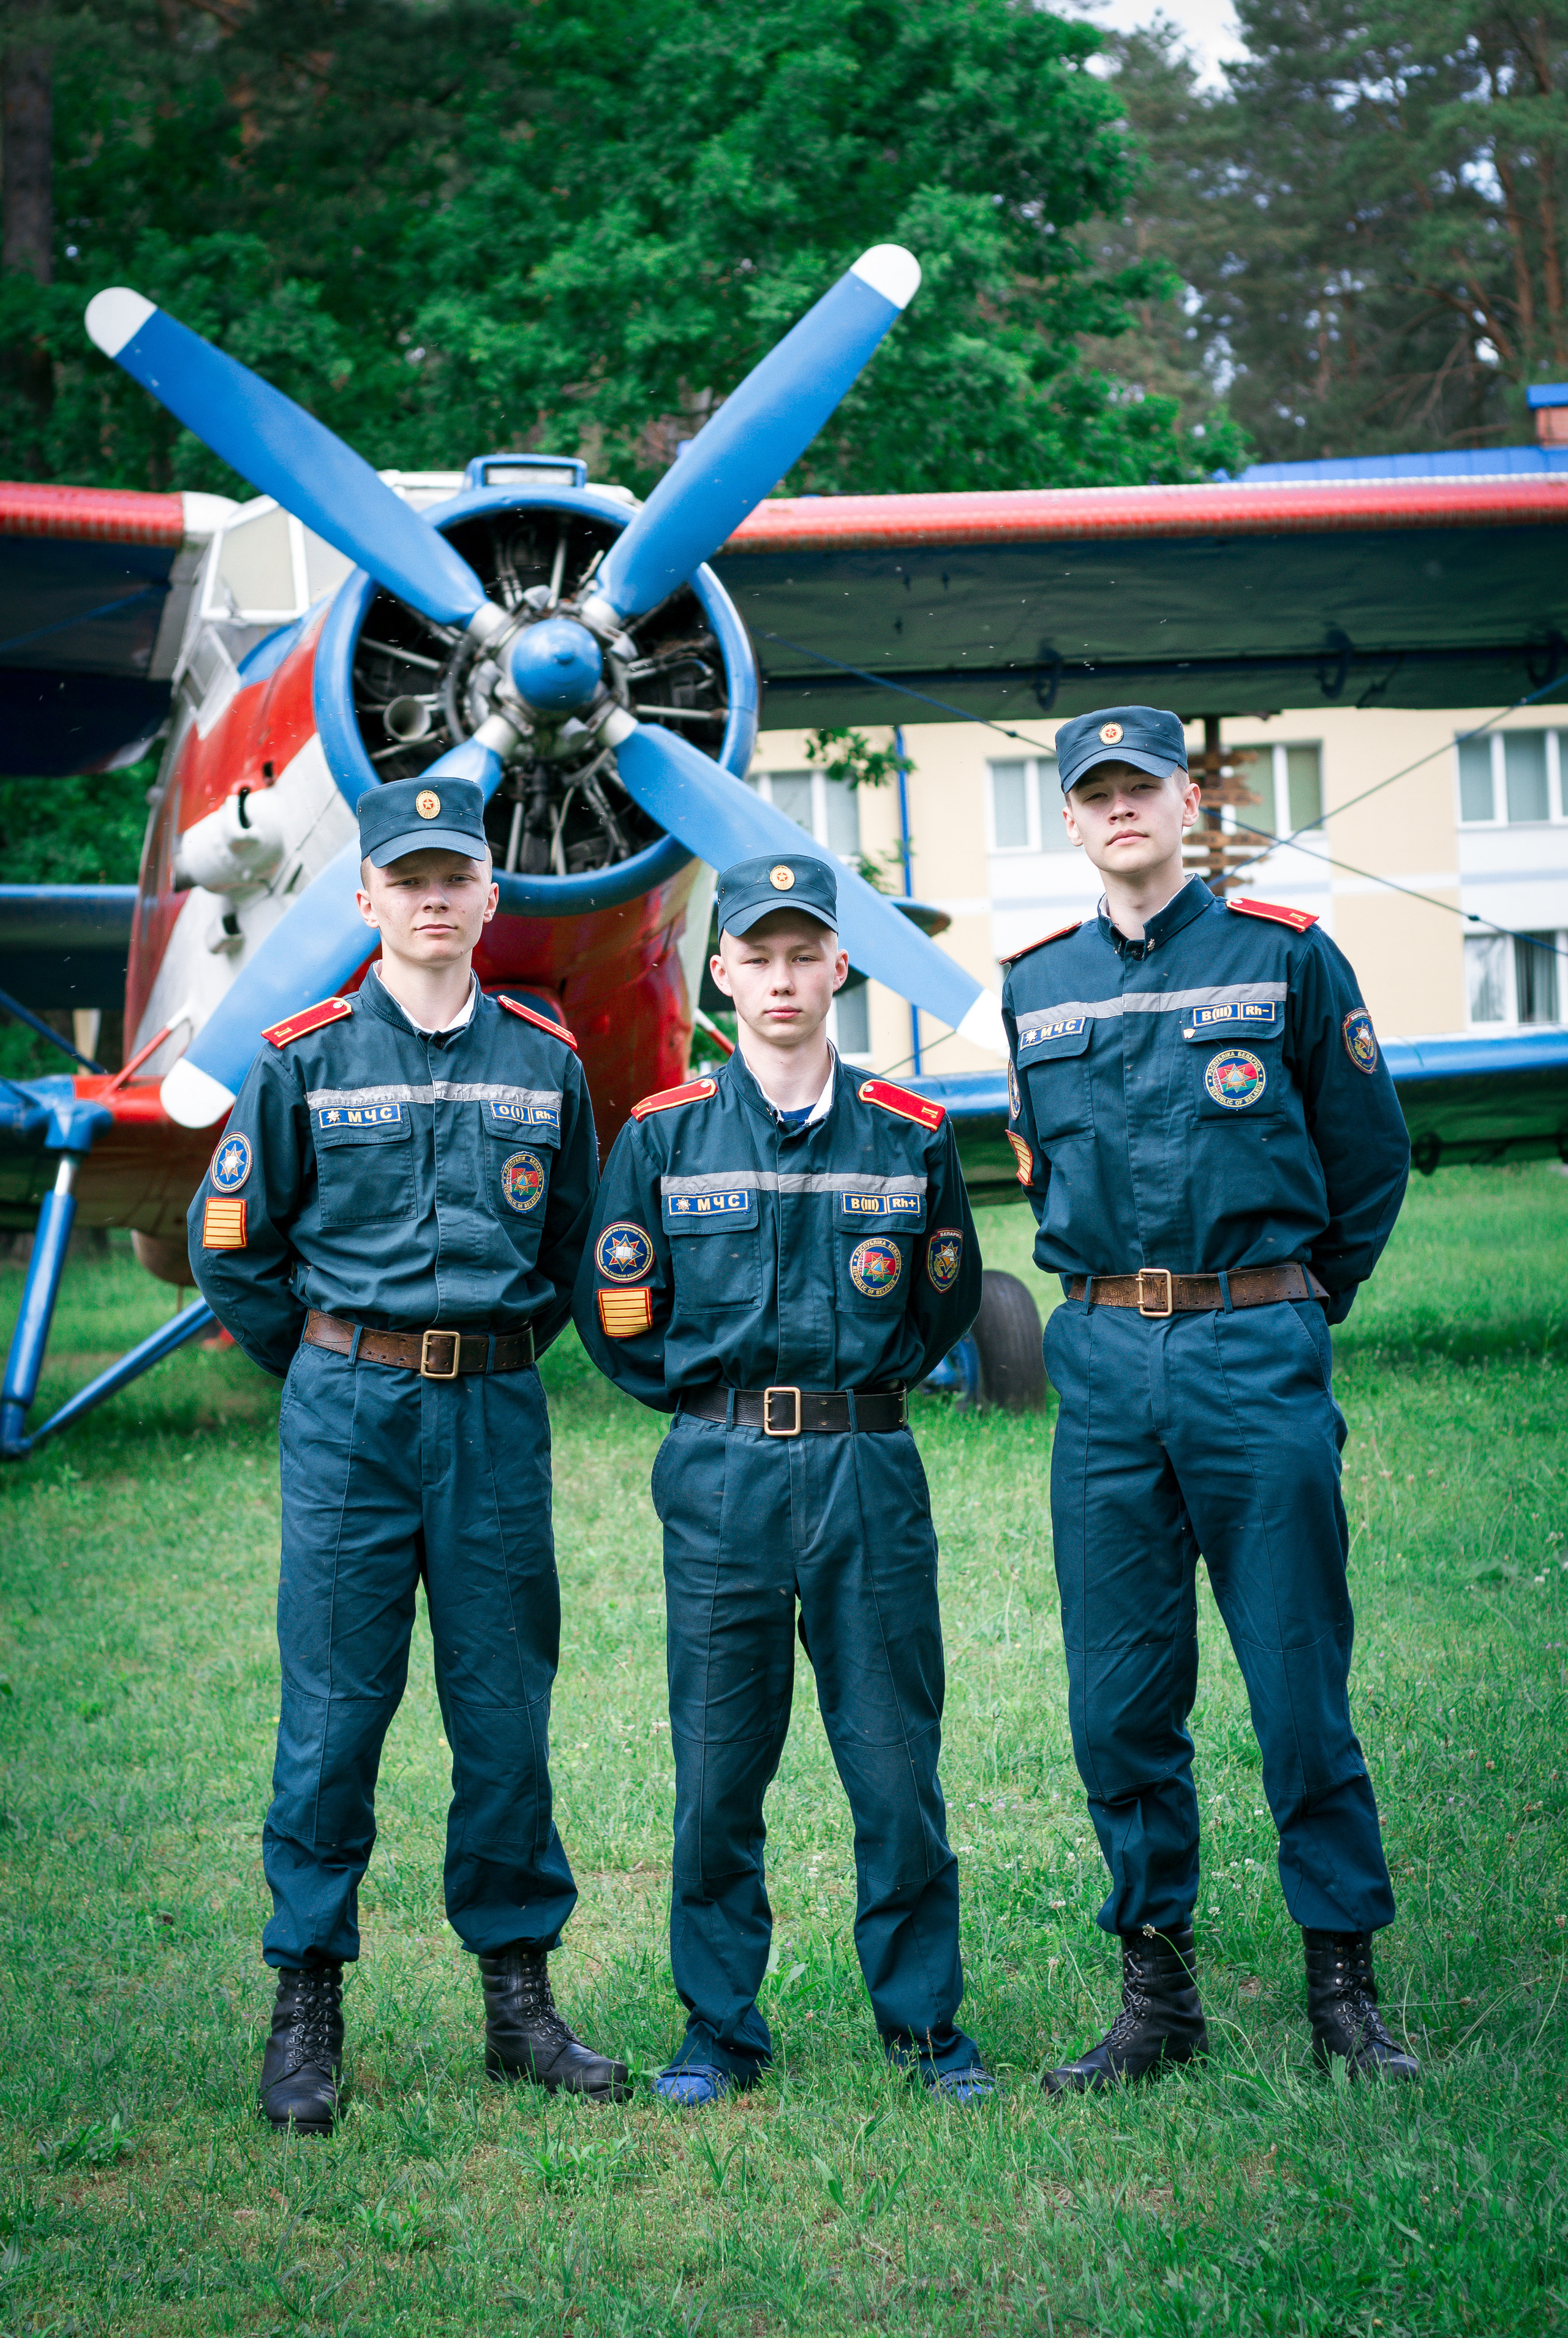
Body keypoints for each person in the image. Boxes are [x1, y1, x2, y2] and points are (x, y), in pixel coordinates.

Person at [187, 775, 628, 2133]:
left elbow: (572, 1250)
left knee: (503, 1711)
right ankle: (305, 2006)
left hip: (492, 1416)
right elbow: (234, 1250)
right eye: (408, 879)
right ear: (366, 898)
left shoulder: (545, 1064)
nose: (434, 900)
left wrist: (476, 1352)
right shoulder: (304, 1059)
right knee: (333, 1713)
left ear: (490, 899)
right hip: (350, 1420)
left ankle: (518, 2000)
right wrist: (337, 1359)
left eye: (455, 878)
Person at [1001, 706, 1419, 2094]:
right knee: (1117, 1699)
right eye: (1095, 793)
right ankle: (1157, 1998)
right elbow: (1040, 1167)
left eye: (1144, 786)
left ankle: (1342, 1990)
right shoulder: (1036, 986)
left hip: (1254, 1351)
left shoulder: (1286, 957)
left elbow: (1367, 1159)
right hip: (1103, 1366)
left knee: (1296, 1680)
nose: (1121, 809)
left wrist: (1287, 1303)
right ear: (1071, 819)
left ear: (1189, 803)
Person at [573, 853, 990, 2103]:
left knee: (894, 1765)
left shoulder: (912, 1133)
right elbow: (614, 1308)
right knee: (716, 1771)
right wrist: (711, 1410)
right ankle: (717, 2031)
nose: (782, 979)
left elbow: (944, 1298)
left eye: (805, 954)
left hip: (867, 1468)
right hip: (720, 1475)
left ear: (840, 966)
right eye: (757, 956)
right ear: (721, 972)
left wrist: (854, 1400)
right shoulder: (662, 1135)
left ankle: (925, 2028)